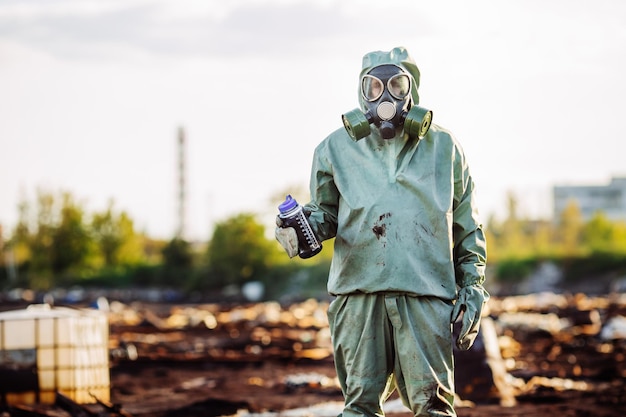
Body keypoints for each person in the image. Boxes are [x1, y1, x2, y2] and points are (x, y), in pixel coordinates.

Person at [276, 46, 488, 417]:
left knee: (434, 407)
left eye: (396, 85)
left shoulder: (444, 148)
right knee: (359, 407)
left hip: (426, 296)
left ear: (413, 90)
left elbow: (467, 227)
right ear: (361, 92)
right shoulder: (335, 148)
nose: (385, 97)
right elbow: (325, 215)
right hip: (358, 297)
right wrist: (298, 228)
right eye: (373, 87)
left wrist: (472, 287)